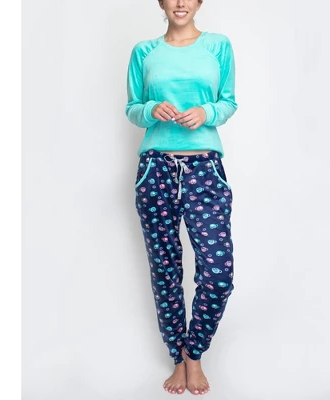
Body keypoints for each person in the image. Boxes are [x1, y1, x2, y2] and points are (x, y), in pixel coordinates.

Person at [125, 0, 238, 395]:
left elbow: (228, 102)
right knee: (165, 270)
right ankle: (178, 357)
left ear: (199, 2)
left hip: (204, 168)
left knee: (218, 274)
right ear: (161, 2)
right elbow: (132, 108)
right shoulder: (144, 51)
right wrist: (151, 108)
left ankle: (194, 351)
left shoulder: (218, 46)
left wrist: (206, 113)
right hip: (155, 168)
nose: (180, 3)